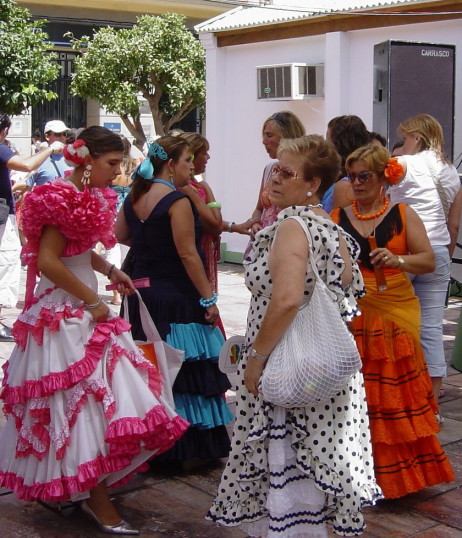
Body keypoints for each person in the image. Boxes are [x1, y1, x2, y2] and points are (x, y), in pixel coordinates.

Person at [0, 126, 189, 535]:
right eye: (111, 164)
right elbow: (49, 261)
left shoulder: (84, 195)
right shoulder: (60, 196)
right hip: (65, 315)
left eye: (118, 163)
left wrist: (112, 269)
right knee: (82, 407)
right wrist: (92, 300)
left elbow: (79, 252)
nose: (117, 171)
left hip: (81, 308)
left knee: (97, 404)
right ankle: (92, 497)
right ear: (86, 160)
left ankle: (82, 489)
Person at [208, 135, 381, 536]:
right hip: (320, 371)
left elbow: (285, 301)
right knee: (313, 465)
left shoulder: (291, 226)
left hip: (290, 365)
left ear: (312, 184)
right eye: (275, 170)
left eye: (287, 172)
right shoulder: (331, 230)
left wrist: (256, 358)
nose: (275, 178)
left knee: (284, 460)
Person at [331, 142, 455, 498]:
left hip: (395, 310)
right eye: (351, 176)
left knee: (392, 393)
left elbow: (428, 260)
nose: (356, 183)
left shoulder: (402, 214)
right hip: (354, 312)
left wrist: (399, 261)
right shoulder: (337, 217)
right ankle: (356, 473)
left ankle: (398, 480)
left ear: (384, 176)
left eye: (364, 176)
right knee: (359, 394)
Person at [116, 136, 233, 466]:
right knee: (183, 373)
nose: (192, 167)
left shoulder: (136, 195)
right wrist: (208, 298)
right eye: (187, 162)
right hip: (176, 297)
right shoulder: (176, 200)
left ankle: (158, 448)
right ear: (170, 164)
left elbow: (120, 235)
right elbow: (188, 253)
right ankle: (187, 451)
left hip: (142, 297)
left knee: (154, 371)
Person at [388, 114, 462, 413]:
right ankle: (430, 403)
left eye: (405, 139)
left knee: (394, 323)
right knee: (430, 327)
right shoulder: (450, 172)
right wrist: (442, 250)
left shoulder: (405, 163)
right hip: (439, 252)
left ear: (416, 138)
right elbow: (453, 225)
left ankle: (397, 393)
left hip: (404, 252)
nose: (403, 145)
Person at [0, 113, 66, 341]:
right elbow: (26, 168)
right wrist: (49, 150)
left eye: (63, 135)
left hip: (64, 221)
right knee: (11, 264)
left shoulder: (70, 159)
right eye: (55, 135)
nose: (59, 138)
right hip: (37, 222)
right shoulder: (6, 150)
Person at [244, 111, 305, 258]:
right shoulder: (269, 169)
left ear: (287, 137)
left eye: (269, 135)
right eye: (264, 135)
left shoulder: (303, 171)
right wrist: (255, 223)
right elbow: (259, 208)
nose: (264, 141)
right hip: (262, 246)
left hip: (287, 245)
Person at [323, 114, 372, 212]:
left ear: (339, 144)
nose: (325, 147)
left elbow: (337, 224)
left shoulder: (348, 185)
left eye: (328, 140)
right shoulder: (335, 178)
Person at [26, 120, 73, 189]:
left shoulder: (73, 157)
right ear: (47, 136)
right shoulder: (38, 160)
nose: (62, 137)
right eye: (58, 134)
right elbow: (27, 190)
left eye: (64, 134)